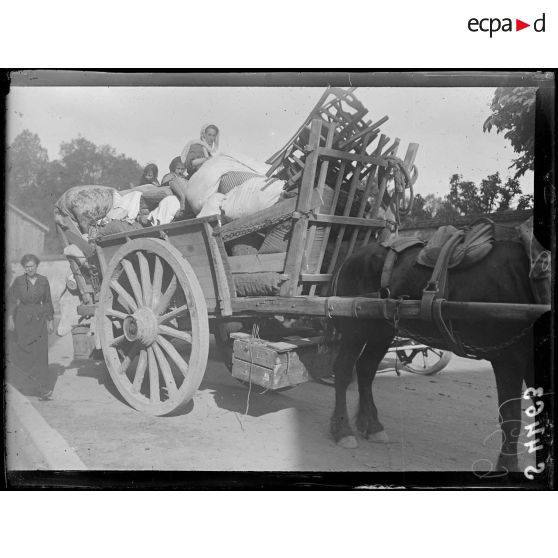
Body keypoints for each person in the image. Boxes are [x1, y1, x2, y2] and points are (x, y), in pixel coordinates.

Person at [7, 254, 56, 400]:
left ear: (37, 266)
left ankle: (42, 389)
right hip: (22, 320)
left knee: (40, 354)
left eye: (32, 266)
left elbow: (47, 301)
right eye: (27, 267)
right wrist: (10, 319)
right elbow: (10, 301)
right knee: (24, 354)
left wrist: (50, 320)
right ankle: (24, 386)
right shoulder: (18, 281)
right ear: (24, 268)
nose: (30, 269)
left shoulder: (43, 281)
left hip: (39, 320)